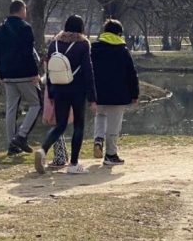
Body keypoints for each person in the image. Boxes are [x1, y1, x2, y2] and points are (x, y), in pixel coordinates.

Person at [34, 15, 97, 175]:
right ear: (81, 28)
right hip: (77, 89)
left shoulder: (54, 43)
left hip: (59, 88)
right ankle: (74, 164)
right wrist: (92, 97)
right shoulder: (83, 45)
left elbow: (49, 70)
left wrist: (51, 92)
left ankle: (43, 150)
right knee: (78, 125)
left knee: (60, 125)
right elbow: (88, 72)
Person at [0, 0, 41, 156]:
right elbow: (28, 53)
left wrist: (1, 73)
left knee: (11, 108)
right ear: (21, 10)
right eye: (25, 9)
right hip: (25, 74)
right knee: (36, 104)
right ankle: (21, 136)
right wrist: (35, 73)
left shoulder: (0, 30)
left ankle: (11, 144)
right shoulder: (25, 28)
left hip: (7, 75)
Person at [91, 18, 139, 165]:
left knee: (100, 115)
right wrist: (135, 94)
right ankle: (111, 154)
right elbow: (131, 73)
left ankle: (98, 139)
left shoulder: (94, 48)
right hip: (118, 93)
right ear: (119, 33)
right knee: (114, 124)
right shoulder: (123, 51)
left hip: (98, 92)